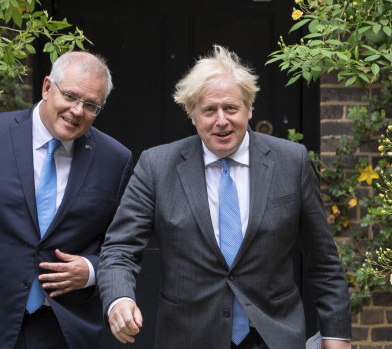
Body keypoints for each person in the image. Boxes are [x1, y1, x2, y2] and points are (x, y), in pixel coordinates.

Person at [97, 45, 351, 349]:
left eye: (231, 108)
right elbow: (119, 249)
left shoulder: (291, 161)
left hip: (273, 337)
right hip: (188, 337)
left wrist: (336, 336)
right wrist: (119, 298)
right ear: (192, 115)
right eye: (209, 111)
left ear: (249, 109)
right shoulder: (157, 166)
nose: (221, 121)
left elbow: (324, 261)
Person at [0, 51, 133, 349]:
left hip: (63, 328)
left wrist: (92, 270)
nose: (77, 111)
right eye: (70, 95)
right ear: (47, 87)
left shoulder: (115, 160)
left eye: (91, 105)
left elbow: (123, 243)